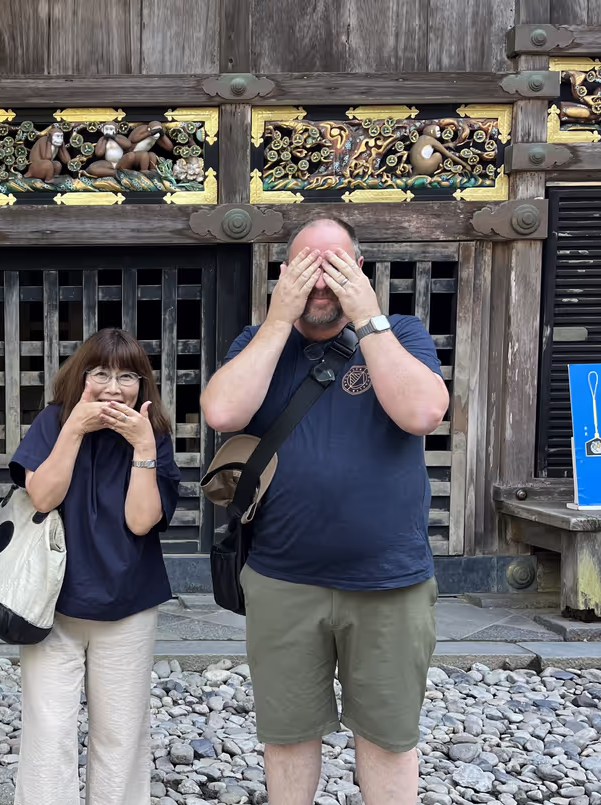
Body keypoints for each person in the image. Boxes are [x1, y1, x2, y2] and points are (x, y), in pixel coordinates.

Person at [200, 217, 449, 805]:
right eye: (307, 267)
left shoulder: (401, 333)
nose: (320, 281)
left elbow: (422, 414)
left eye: (335, 266)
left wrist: (368, 318)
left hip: (389, 580)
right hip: (282, 577)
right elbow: (222, 412)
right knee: (287, 737)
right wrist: (277, 322)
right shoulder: (259, 340)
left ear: (359, 271)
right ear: (284, 273)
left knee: (388, 738)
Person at [9, 328, 182, 805]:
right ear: (80, 376)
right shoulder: (53, 421)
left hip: (128, 601)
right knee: (48, 731)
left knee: (121, 733)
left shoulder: (154, 434)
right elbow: (43, 497)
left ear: (143, 384)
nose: (113, 388)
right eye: (100, 373)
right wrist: (74, 429)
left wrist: (143, 449)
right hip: (50, 602)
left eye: (127, 376)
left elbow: (142, 521)